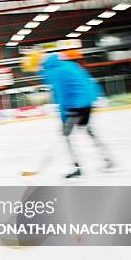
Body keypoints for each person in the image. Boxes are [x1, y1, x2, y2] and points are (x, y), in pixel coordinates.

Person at [21, 50, 113, 178]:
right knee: (87, 130)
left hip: (76, 104)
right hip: (87, 101)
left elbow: (61, 94)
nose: (34, 70)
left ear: (37, 64)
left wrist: (64, 115)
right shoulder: (67, 64)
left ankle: (77, 168)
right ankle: (107, 158)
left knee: (66, 135)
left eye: (33, 67)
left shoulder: (53, 72)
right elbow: (87, 79)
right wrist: (96, 96)